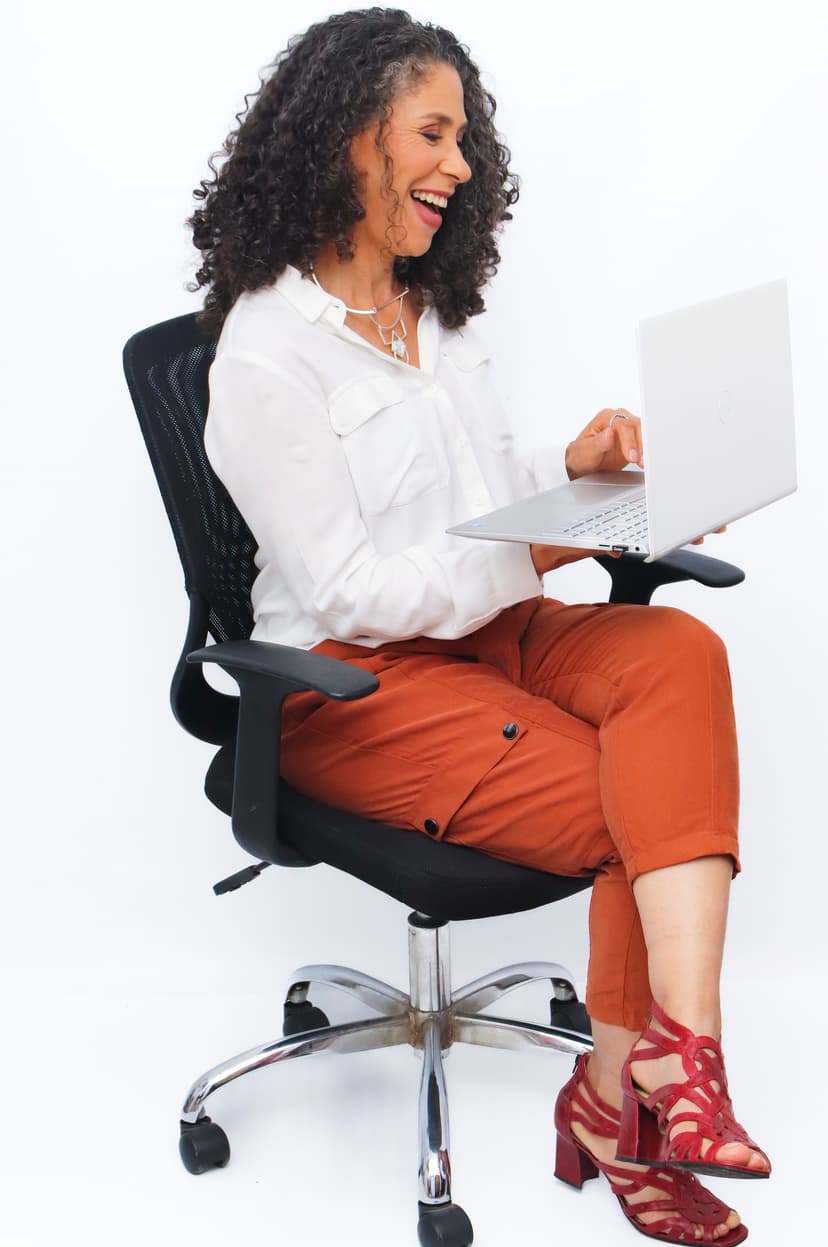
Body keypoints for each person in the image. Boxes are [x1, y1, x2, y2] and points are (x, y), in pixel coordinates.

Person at [189, 9, 770, 1242]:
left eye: (463, 139)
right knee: (633, 801)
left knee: (681, 652)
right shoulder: (263, 358)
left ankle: (677, 1056)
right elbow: (354, 588)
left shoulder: (431, 309)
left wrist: (576, 474)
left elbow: (479, 492)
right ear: (350, 139)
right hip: (348, 683)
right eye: (432, 135)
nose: (459, 164)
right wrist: (546, 546)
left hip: (491, 631)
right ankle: (624, 1108)